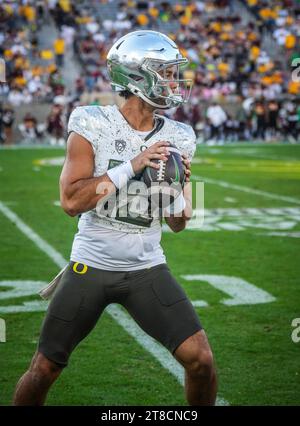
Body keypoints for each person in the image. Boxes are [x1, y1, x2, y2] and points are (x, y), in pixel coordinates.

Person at [13, 30, 217, 406]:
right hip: (92, 264)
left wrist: (176, 187)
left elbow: (179, 222)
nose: (175, 82)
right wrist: (132, 166)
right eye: (167, 72)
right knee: (44, 369)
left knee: (201, 361)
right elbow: (72, 201)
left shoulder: (179, 135)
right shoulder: (92, 123)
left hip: (147, 268)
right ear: (137, 77)